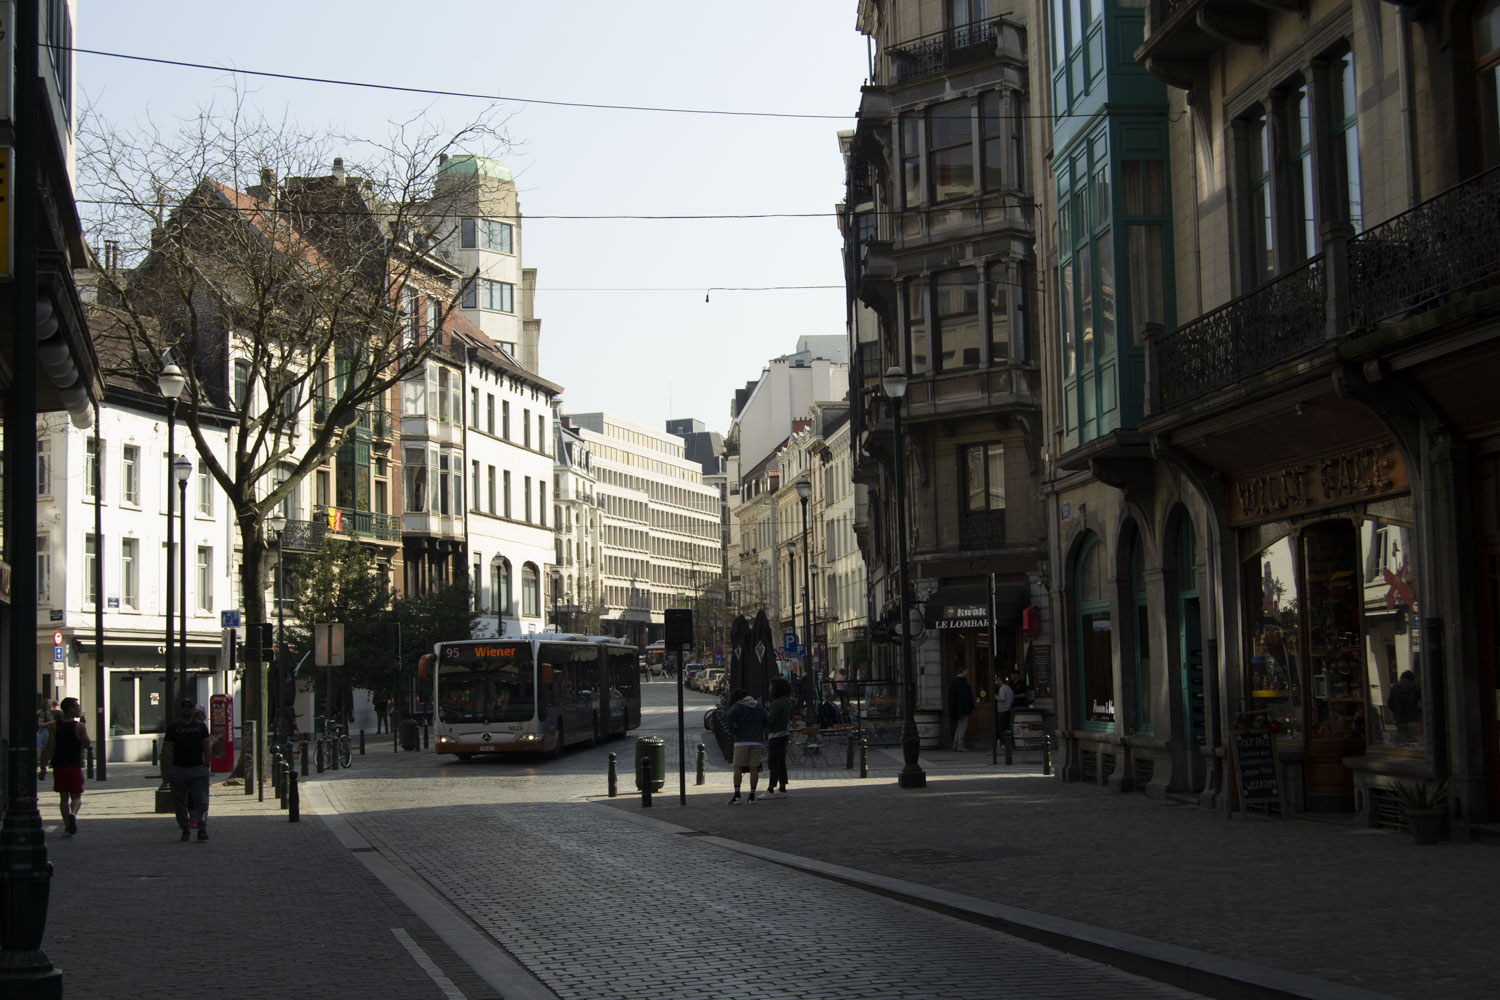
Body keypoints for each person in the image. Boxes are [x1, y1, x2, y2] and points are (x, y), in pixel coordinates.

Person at [162, 696, 214, 842]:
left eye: (189, 706)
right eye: (183, 705)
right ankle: (185, 828)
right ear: (180, 708)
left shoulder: (200, 726)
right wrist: (169, 768)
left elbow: (206, 745)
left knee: (201, 800)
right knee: (180, 802)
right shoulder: (173, 728)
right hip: (179, 769)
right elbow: (167, 748)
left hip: (198, 768)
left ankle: (202, 827)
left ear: (193, 709)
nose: (186, 708)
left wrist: (207, 764)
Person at [40, 697, 90, 836]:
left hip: (59, 765)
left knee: (63, 797)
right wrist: (84, 726)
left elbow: (49, 747)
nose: (79, 708)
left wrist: (43, 766)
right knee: (76, 796)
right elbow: (87, 744)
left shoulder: (54, 726)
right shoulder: (79, 726)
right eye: (77, 706)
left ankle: (67, 826)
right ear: (71, 709)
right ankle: (73, 814)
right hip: (73, 765)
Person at [724, 688, 767, 804]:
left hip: (741, 741)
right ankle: (752, 796)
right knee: (754, 768)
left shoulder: (738, 707)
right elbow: (765, 719)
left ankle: (737, 796)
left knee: (737, 767)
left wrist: (734, 730)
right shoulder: (758, 706)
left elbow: (729, 716)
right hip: (756, 741)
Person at [764, 676, 794, 797]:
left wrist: (765, 715)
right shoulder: (786, 701)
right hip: (783, 733)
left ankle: (771, 788)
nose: (769, 689)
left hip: (776, 735)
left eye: (771, 687)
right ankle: (782, 787)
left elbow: (770, 721)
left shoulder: (777, 703)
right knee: (780, 761)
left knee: (773, 761)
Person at [948, 670, 974, 751]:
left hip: (958, 708)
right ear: (962, 672)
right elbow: (964, 696)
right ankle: (960, 745)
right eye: (966, 671)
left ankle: (955, 745)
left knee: (959, 727)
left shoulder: (955, 682)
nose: (967, 672)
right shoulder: (961, 682)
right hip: (962, 708)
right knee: (963, 726)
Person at [995, 672, 1016, 744]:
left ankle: (1003, 744)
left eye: (998, 680)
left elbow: (1002, 698)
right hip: (1008, 710)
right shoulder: (1009, 688)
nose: (997, 682)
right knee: (1007, 728)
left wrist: (995, 696)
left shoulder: (1002, 688)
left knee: (1001, 729)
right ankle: (1009, 743)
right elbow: (1012, 699)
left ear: (1000, 681)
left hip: (1002, 711)